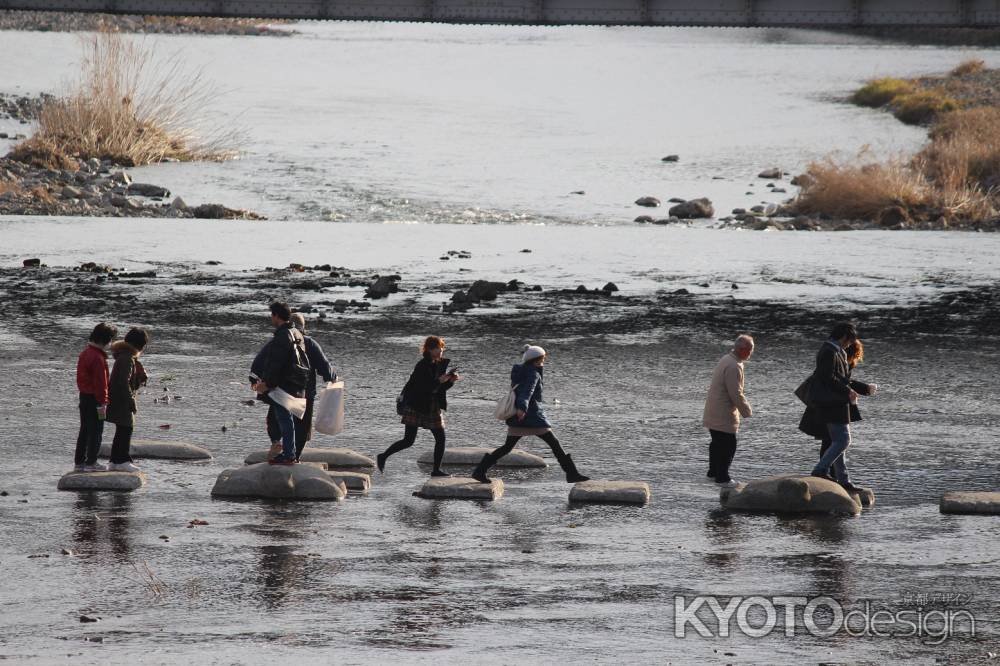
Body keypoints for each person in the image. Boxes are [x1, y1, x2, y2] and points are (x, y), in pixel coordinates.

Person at [471, 345, 589, 484]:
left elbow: (521, 390)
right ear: (536, 360)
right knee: (554, 444)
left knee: (507, 447)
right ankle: (572, 474)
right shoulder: (533, 373)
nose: (544, 361)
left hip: (520, 416)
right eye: (542, 358)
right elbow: (527, 392)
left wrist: (521, 409)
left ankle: (479, 471)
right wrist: (523, 408)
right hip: (531, 416)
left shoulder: (520, 371)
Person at [807, 322, 876, 491]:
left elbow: (840, 378)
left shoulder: (835, 351)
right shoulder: (829, 351)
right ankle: (820, 470)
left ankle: (843, 480)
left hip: (837, 403)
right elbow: (828, 378)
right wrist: (849, 391)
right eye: (849, 341)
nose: (849, 345)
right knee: (843, 440)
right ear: (844, 337)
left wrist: (861, 388)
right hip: (831, 403)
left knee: (837, 442)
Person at [377, 335, 459, 477]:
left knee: (441, 438)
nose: (441, 352)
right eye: (438, 349)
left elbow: (440, 389)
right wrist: (440, 380)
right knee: (409, 441)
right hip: (416, 405)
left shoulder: (437, 364)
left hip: (432, 405)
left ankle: (436, 470)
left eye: (442, 349)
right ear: (430, 349)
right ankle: (383, 456)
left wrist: (450, 381)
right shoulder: (422, 365)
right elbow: (423, 388)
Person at [252, 302, 310, 465]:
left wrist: (267, 384)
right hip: (297, 383)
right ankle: (289, 453)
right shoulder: (296, 333)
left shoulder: (282, 336)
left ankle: (289, 454)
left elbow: (276, 364)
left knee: (284, 419)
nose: (271, 318)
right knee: (287, 419)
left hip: (284, 385)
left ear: (277, 316)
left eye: (272, 315)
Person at [702, 335, 754, 488]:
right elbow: (735, 393)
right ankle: (722, 477)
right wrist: (746, 410)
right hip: (723, 412)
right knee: (729, 444)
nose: (751, 353)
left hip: (713, 409)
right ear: (743, 350)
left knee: (717, 442)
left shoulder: (727, 358)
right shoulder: (733, 365)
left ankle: (712, 473)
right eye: (750, 350)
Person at [285, 312, 337, 458]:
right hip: (305, 393)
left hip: (282, 393)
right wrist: (333, 377)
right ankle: (293, 458)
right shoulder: (309, 343)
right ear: (303, 327)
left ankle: (285, 454)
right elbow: (324, 367)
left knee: (286, 424)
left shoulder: (281, 340)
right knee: (302, 429)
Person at [74, 322, 117, 472]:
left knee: (84, 430)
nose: (111, 343)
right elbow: (101, 384)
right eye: (111, 339)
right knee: (96, 431)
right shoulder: (98, 358)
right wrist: (103, 402)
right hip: (96, 399)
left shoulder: (85, 353)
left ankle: (79, 462)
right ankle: (91, 463)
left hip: (84, 397)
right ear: (105, 340)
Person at [106, 328, 150, 472]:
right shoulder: (127, 358)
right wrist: (131, 400)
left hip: (118, 398)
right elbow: (123, 382)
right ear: (140, 345)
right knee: (126, 428)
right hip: (122, 399)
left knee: (122, 429)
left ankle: (114, 461)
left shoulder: (124, 356)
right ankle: (122, 460)